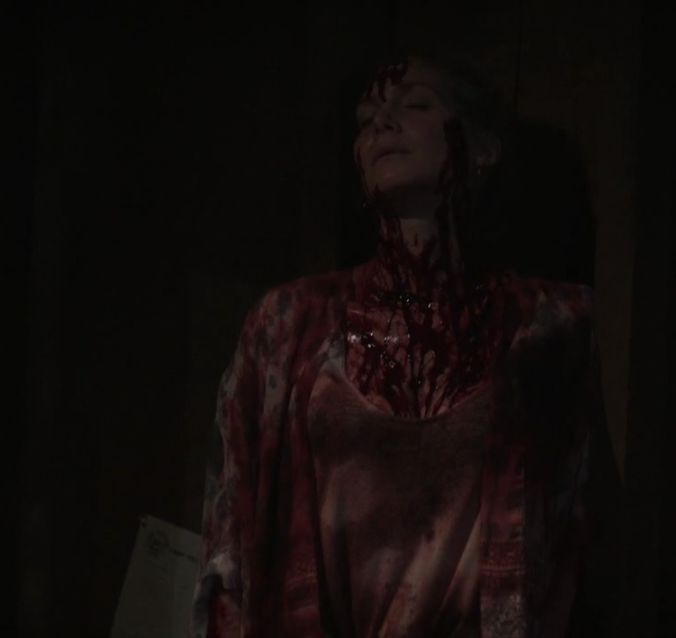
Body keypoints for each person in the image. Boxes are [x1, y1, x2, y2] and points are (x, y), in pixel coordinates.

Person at [191, 45, 614, 637]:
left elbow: (581, 536)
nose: (381, 125)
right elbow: (230, 539)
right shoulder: (289, 324)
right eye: (366, 120)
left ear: (484, 148)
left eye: (413, 105)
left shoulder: (548, 325)